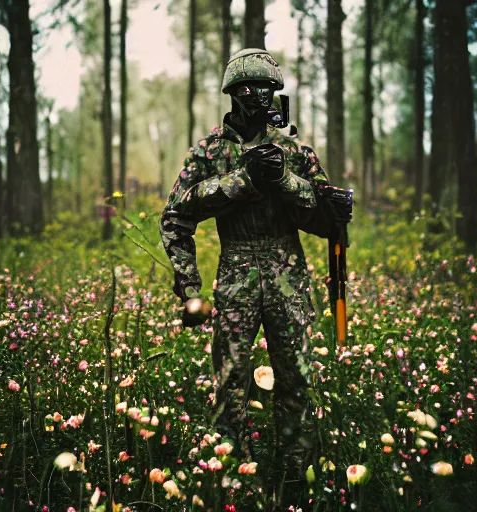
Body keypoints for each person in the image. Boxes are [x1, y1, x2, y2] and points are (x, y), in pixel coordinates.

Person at [160, 48, 337, 508]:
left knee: (296, 380)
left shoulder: (294, 149)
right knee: (230, 385)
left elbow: (325, 222)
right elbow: (177, 216)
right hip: (236, 273)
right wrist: (190, 289)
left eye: (273, 89)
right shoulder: (210, 151)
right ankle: (230, 481)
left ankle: (297, 479)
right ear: (239, 93)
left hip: (287, 275)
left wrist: (288, 182)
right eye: (260, 88)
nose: (270, 97)